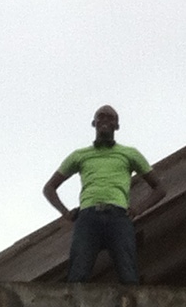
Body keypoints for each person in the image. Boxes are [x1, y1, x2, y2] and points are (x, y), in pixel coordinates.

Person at [44, 105, 165, 284]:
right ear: (94, 123)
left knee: (128, 275)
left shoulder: (129, 153)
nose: (105, 121)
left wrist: (138, 209)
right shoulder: (80, 155)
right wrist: (66, 212)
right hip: (88, 217)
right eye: (101, 117)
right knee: (77, 275)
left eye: (111, 118)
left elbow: (160, 188)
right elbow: (49, 188)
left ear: (117, 126)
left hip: (119, 217)